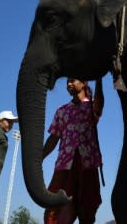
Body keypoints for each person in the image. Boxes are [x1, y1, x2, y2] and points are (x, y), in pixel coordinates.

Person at [43, 78, 104, 224]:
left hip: (87, 164)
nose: (69, 84)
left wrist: (99, 79)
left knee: (87, 209)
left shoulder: (91, 106)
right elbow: (53, 138)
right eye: (67, 82)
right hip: (64, 165)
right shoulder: (61, 111)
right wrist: (40, 157)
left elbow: (99, 107)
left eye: (72, 80)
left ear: (84, 83)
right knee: (55, 210)